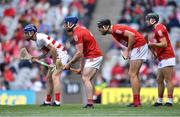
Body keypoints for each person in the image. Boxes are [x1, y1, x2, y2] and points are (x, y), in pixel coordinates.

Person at [97, 19, 148, 107]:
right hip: (138, 46)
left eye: (100, 28)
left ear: (105, 27)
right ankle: (137, 101)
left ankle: (136, 102)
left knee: (132, 74)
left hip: (139, 46)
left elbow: (131, 36)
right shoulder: (114, 32)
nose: (99, 30)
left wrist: (127, 51)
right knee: (134, 74)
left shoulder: (115, 29)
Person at [23, 24, 69, 106]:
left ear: (32, 32)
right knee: (48, 78)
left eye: (26, 33)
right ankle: (47, 101)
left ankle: (57, 102)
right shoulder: (37, 41)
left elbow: (54, 49)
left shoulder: (40, 38)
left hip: (61, 55)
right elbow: (47, 53)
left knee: (55, 76)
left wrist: (54, 63)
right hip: (57, 56)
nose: (25, 35)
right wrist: (37, 57)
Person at [63, 16, 103, 108]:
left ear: (70, 24)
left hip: (93, 56)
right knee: (86, 78)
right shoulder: (81, 30)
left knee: (85, 78)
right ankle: (91, 102)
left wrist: (69, 64)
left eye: (66, 24)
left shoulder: (77, 33)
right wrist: (81, 68)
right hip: (94, 55)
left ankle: (90, 103)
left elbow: (79, 53)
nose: (65, 26)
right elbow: (82, 52)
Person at [145, 13, 176, 107]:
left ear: (153, 20)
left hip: (167, 56)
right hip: (162, 56)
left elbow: (164, 44)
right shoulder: (157, 28)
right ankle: (159, 100)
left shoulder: (159, 29)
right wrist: (156, 53)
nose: (146, 21)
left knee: (168, 79)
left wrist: (151, 44)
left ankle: (169, 101)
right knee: (159, 79)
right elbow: (161, 44)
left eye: (148, 19)